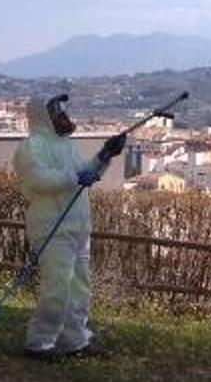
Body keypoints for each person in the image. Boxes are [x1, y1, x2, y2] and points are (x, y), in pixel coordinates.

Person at [13, 94, 126, 359]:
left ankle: (75, 340)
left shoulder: (68, 146)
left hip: (77, 226)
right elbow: (38, 179)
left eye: (64, 110)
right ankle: (39, 343)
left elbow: (87, 171)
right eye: (57, 111)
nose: (64, 116)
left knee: (79, 287)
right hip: (52, 227)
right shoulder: (31, 146)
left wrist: (105, 155)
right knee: (58, 287)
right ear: (44, 116)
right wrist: (75, 177)